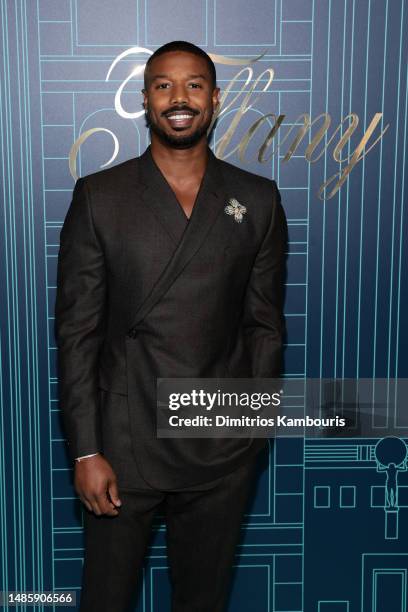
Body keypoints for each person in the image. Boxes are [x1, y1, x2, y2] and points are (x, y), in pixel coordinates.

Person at [55, 40, 287, 612]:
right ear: (145, 100)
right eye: (163, 85)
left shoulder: (256, 200)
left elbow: (264, 326)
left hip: (219, 446)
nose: (178, 98)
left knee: (202, 601)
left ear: (215, 98)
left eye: (193, 85)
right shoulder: (99, 197)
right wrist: (86, 450)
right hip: (122, 444)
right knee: (105, 600)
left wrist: (250, 435)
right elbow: (77, 335)